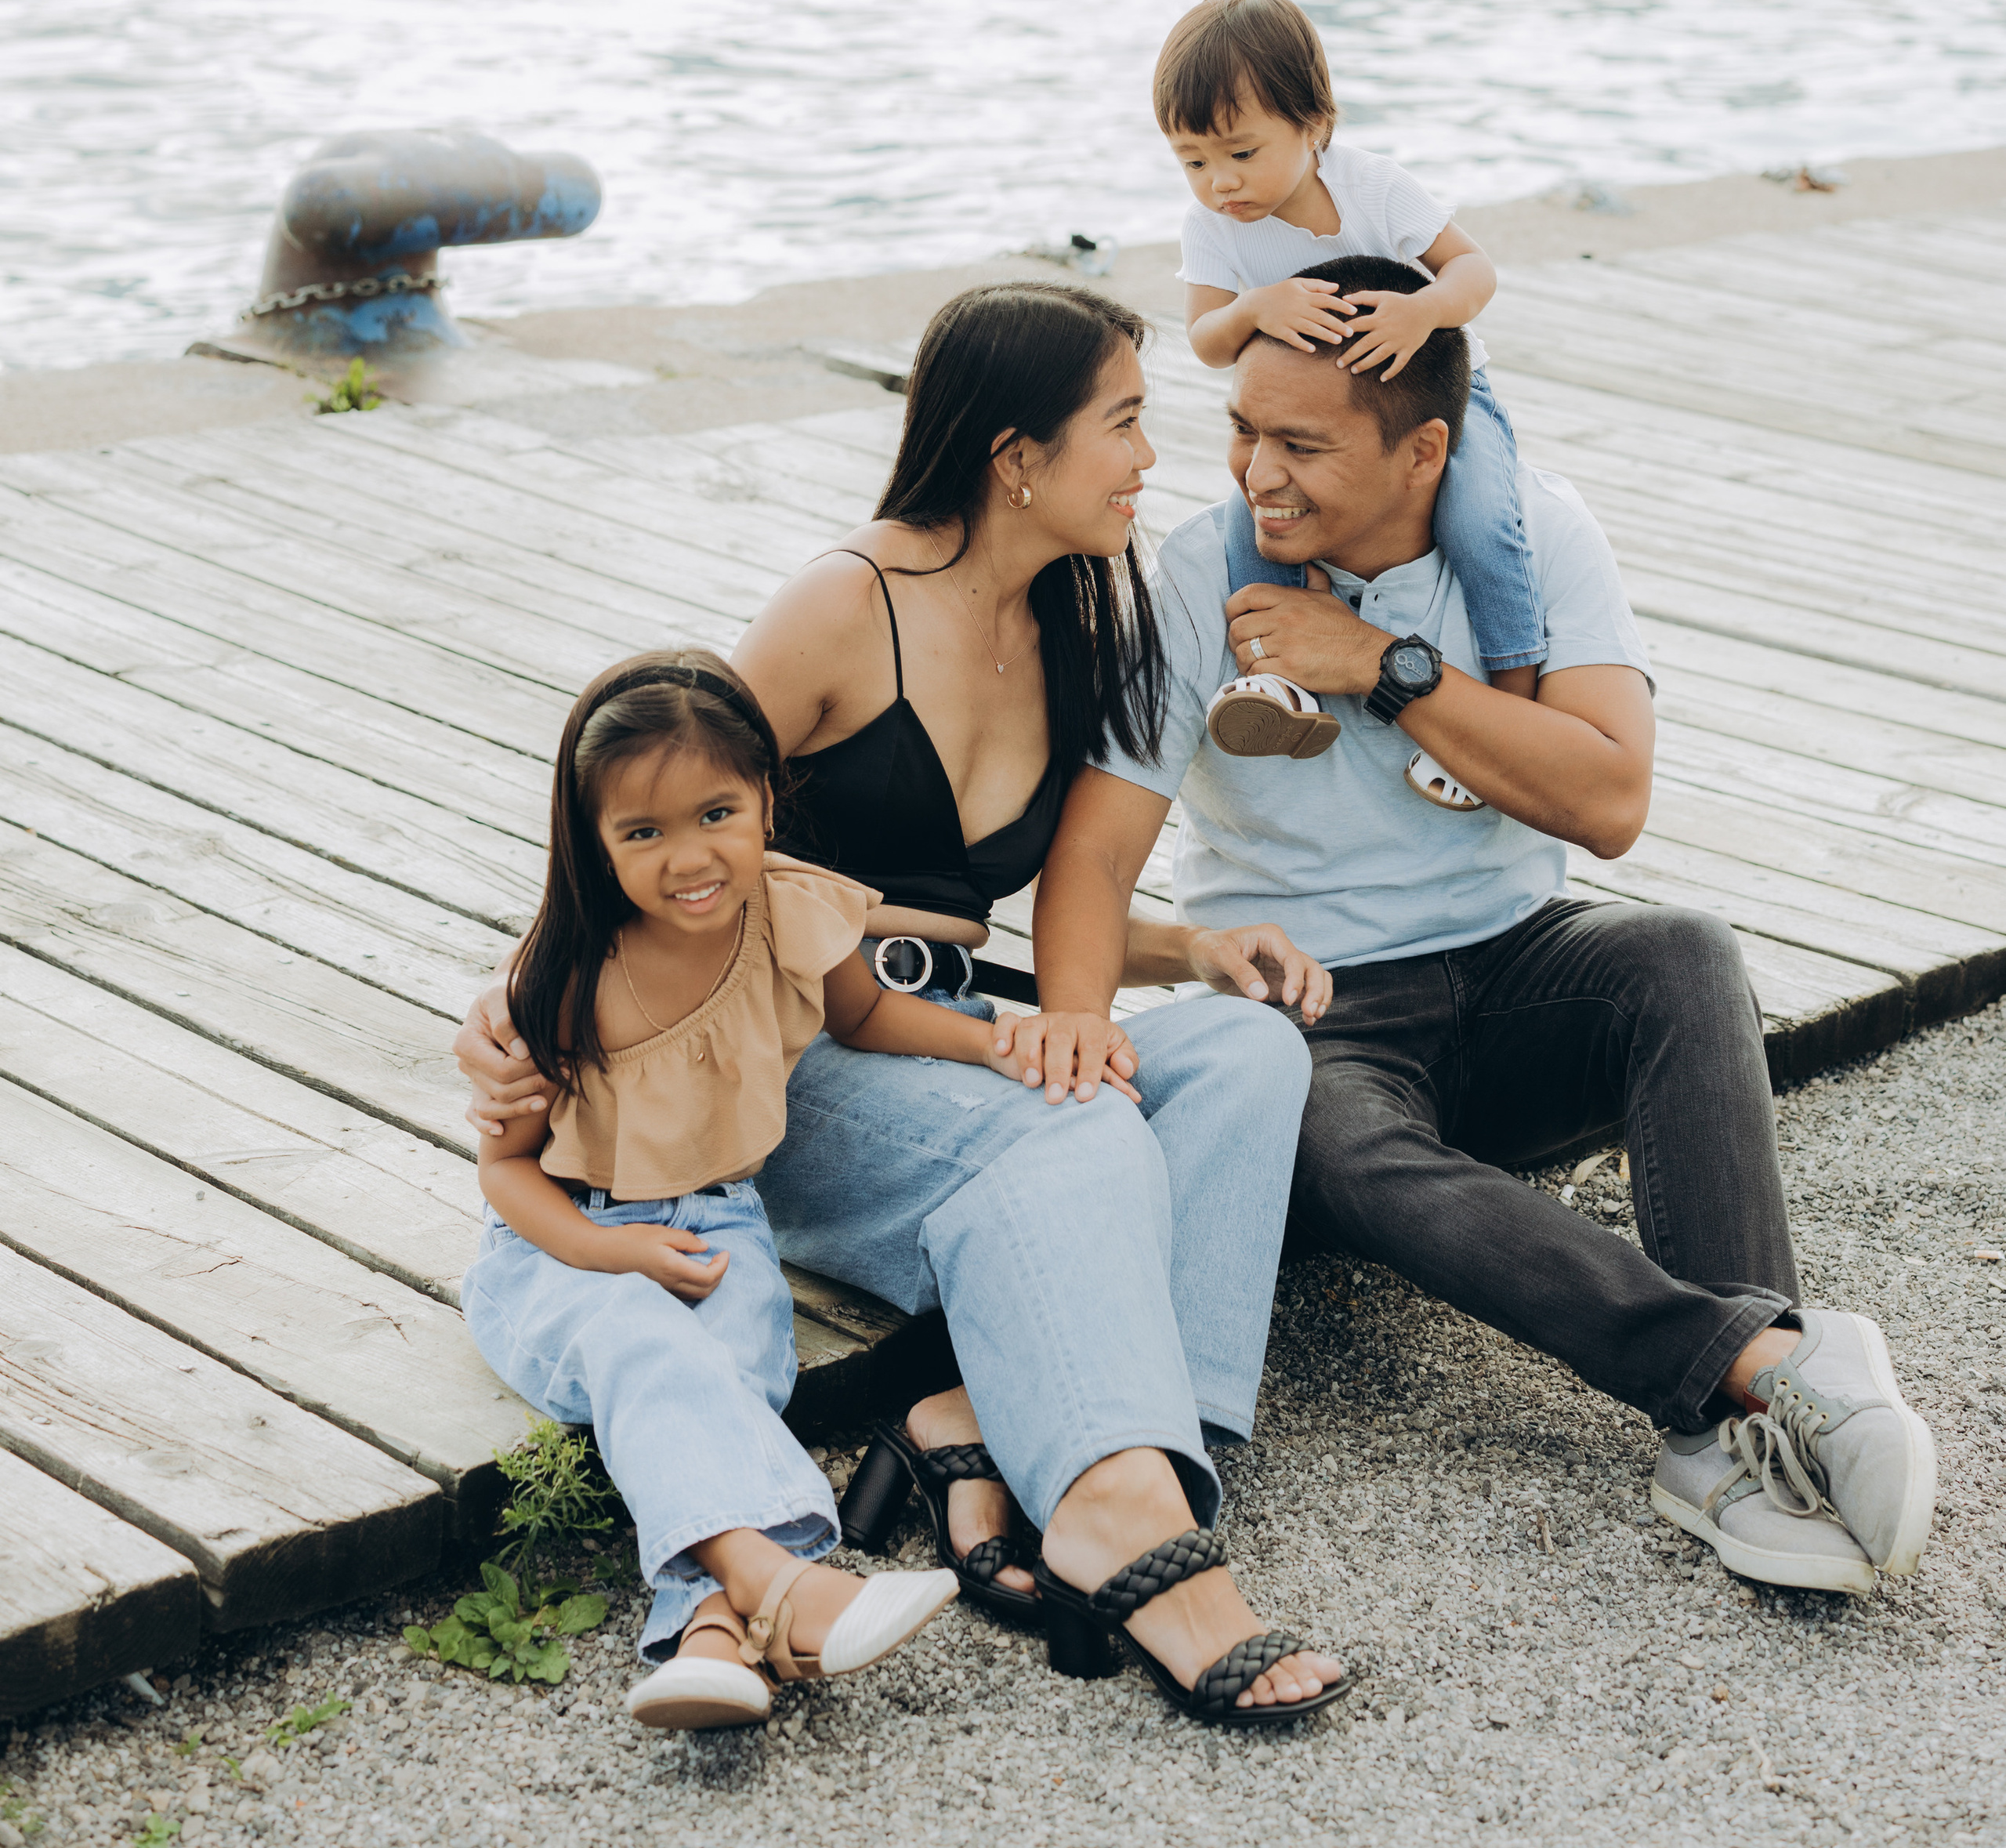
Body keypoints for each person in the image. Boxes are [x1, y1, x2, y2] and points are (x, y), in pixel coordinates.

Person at [461, 282, 1350, 1728]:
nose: (1148, 459)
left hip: (943, 1030)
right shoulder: (844, 607)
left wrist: (1192, 952)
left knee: (1244, 1059)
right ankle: (1121, 1521)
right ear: (1016, 454)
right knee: (1076, 1130)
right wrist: (515, 1018)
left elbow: (1005, 912)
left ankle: (1046, 1438)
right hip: (796, 1066)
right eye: (1124, 422)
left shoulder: (1068, 616)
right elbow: (653, 824)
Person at [1030, 254, 1939, 1599]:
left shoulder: (1531, 539)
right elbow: (1093, 864)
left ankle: (1730, 1427)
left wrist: (1385, 669)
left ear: (1425, 452)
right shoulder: (1193, 578)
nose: (1253, 473)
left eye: (1299, 444)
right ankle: (1753, 1379)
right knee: (1317, 1119)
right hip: (1314, 1017)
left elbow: (1610, 800)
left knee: (1681, 953)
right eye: (1240, 431)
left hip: (1515, 973)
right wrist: (1082, 1053)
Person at [462, 647, 970, 1733]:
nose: (687, 857)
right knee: (648, 1346)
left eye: (716, 814)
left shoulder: (790, 911)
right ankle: (798, 1589)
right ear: (593, 844)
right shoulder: (560, 983)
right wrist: (617, 1255)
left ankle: (709, 1641)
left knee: (733, 1373)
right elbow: (504, 1171)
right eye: (642, 833)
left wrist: (1006, 1045)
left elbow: (867, 1019)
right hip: (566, 1247)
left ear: (766, 800)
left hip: (722, 1222)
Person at [1156, 0, 1543, 775]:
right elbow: (1205, 339)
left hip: (1437, 401)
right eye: (1192, 161)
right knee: (1250, 535)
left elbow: (1473, 269)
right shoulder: (1213, 230)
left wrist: (1422, 311)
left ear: (1314, 125)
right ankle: (1275, 687)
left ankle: (1515, 699)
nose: (1218, 183)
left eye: (1240, 152)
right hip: (1304, 429)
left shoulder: (1374, 189)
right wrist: (1256, 306)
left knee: (1481, 522)